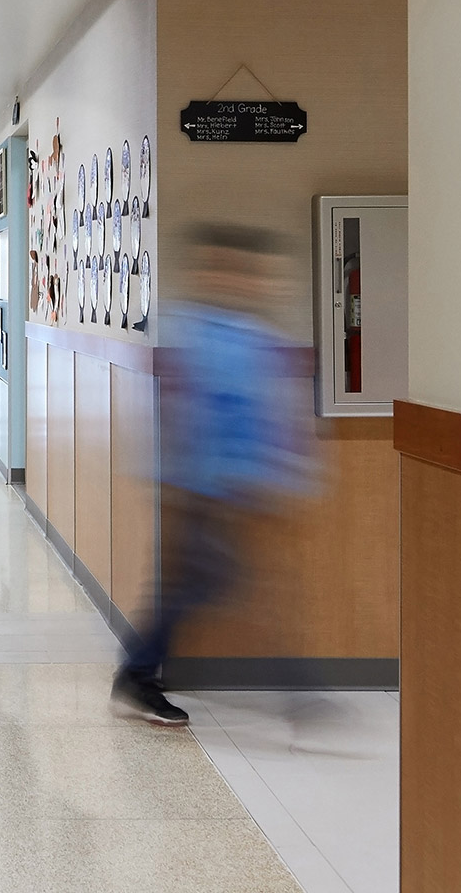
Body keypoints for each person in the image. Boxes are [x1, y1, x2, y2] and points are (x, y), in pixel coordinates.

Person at [111, 224, 312, 726]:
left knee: (208, 585)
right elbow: (180, 415)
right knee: (209, 586)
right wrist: (178, 481)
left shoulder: (257, 339)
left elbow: (268, 417)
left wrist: (284, 475)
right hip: (199, 491)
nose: (236, 280)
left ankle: (137, 675)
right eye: (221, 267)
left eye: (244, 271)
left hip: (233, 491)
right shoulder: (190, 332)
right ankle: (301, 697)